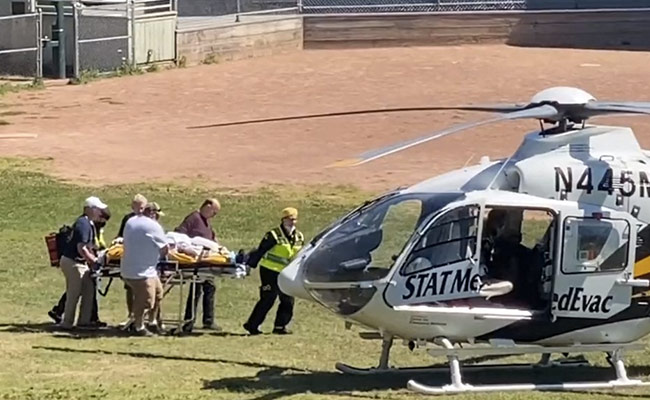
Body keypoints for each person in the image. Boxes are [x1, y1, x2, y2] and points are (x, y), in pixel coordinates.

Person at [243, 207, 304, 335]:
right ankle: (252, 325)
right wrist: (249, 265)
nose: (292, 222)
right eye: (289, 219)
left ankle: (280, 326)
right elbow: (261, 250)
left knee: (288, 299)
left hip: (287, 272)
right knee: (268, 298)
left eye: (294, 219)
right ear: (283, 219)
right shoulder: (273, 235)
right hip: (269, 270)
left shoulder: (299, 236)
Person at [48, 207, 112, 327]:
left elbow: (91, 246)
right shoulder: (83, 224)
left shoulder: (90, 224)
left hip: (82, 263)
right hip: (73, 262)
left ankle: (84, 321)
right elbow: (82, 248)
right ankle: (67, 322)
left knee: (89, 290)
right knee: (74, 292)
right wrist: (94, 261)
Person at [120, 202, 169, 336]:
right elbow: (164, 248)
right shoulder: (153, 226)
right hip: (142, 271)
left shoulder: (131, 221)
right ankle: (138, 326)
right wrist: (160, 257)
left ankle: (152, 322)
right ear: (152, 213)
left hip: (131, 267)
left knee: (158, 293)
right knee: (146, 300)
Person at [175, 198, 221, 332]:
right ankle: (189, 321)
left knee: (210, 288)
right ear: (208, 206)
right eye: (214, 212)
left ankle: (208, 320)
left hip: (207, 260)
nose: (214, 215)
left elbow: (212, 238)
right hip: (196, 261)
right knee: (196, 290)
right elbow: (179, 233)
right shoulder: (193, 218)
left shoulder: (206, 222)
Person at [116, 193, 147, 329]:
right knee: (129, 288)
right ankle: (131, 315)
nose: (139, 210)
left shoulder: (147, 220)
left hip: (143, 259)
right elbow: (121, 235)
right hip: (130, 258)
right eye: (137, 207)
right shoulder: (128, 219)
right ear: (132, 206)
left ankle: (142, 317)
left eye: (142, 208)